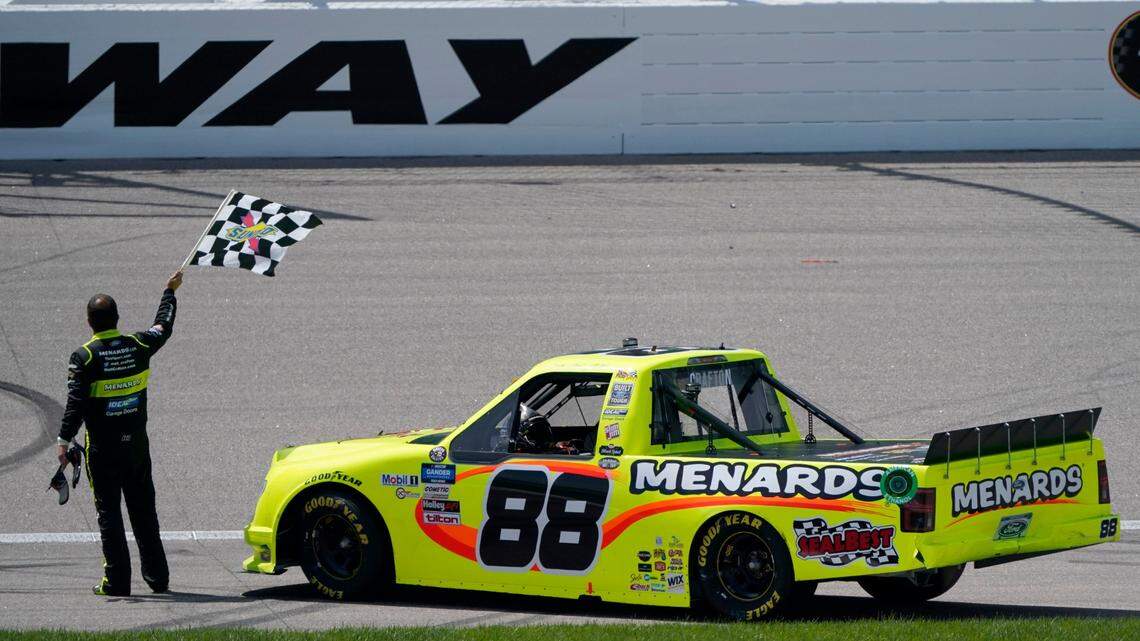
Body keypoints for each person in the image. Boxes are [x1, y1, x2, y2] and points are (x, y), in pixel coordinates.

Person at [57, 271, 183, 596]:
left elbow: (76, 404)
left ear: (89, 322)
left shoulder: (84, 357)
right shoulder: (139, 344)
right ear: (117, 318)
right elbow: (163, 327)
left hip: (103, 451)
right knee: (144, 512)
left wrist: (62, 440)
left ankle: (116, 582)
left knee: (108, 513)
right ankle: (158, 577)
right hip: (137, 448)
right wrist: (169, 292)